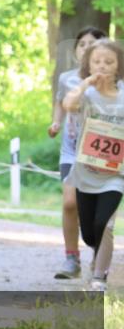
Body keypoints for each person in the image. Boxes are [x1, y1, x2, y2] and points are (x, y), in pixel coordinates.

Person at [62, 38, 124, 290]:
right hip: (85, 171)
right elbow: (69, 105)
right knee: (89, 232)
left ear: (118, 65)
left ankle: (100, 276)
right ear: (88, 64)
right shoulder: (85, 93)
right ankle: (97, 254)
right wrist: (86, 83)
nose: (103, 66)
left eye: (109, 62)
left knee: (104, 223)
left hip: (115, 172)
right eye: (97, 61)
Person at [50, 27, 107, 279]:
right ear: (75, 51)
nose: (85, 47)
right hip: (71, 152)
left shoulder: (114, 81)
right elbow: (60, 102)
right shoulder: (67, 78)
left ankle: (98, 254)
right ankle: (71, 259)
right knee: (70, 203)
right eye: (81, 44)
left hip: (100, 155)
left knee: (95, 211)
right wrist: (55, 123)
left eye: (91, 44)